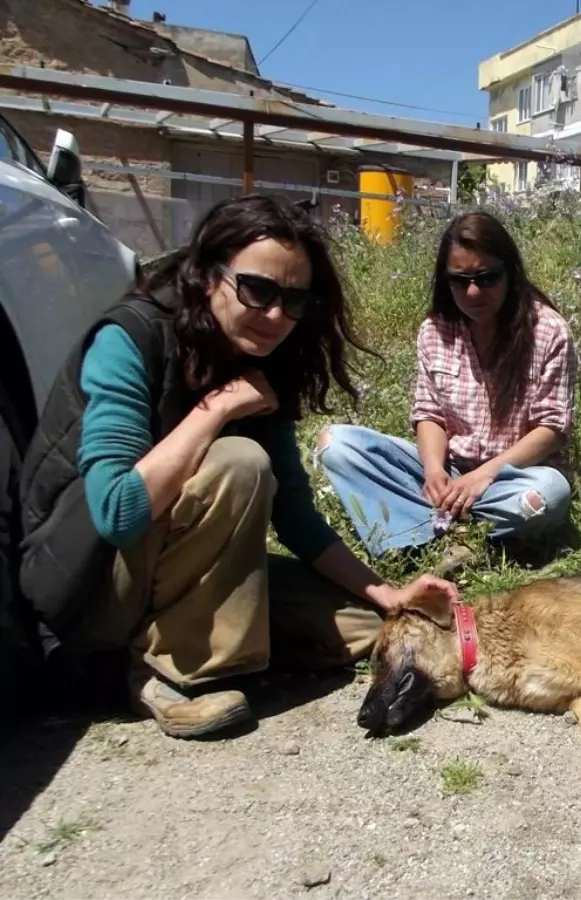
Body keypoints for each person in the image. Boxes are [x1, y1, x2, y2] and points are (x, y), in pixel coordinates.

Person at [18, 194, 459, 739]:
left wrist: (386, 593)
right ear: (206, 275)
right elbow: (116, 513)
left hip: (167, 573)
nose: (277, 315)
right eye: (257, 290)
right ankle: (179, 677)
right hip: (90, 586)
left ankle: (165, 647)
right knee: (238, 461)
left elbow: (295, 516)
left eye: (295, 300)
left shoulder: (260, 358)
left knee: (366, 627)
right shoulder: (129, 340)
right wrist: (219, 408)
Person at [316, 211, 576, 567]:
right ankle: (453, 529)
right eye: (460, 280)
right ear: (445, 281)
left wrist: (484, 476)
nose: (473, 291)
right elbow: (429, 413)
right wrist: (433, 471)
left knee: (549, 494)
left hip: (512, 477)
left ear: (510, 273)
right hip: (451, 471)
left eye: (487, 278)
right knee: (336, 445)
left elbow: (552, 429)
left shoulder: (548, 331)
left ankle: (420, 528)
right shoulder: (435, 330)